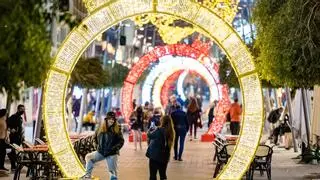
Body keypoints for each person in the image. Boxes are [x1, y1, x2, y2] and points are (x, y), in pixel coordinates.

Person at [84, 112, 124, 179]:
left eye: (113, 119)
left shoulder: (117, 129)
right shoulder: (100, 128)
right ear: (106, 119)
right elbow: (94, 138)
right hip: (101, 152)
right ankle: (88, 176)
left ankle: (113, 177)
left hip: (112, 153)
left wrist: (115, 148)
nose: (112, 120)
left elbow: (121, 141)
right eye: (110, 119)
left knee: (112, 173)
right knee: (88, 157)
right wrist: (96, 146)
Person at [146, 115, 175, 180]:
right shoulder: (171, 132)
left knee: (153, 175)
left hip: (155, 156)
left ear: (162, 121)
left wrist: (150, 129)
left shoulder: (159, 130)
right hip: (165, 156)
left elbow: (149, 135)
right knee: (163, 175)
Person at [7, 104, 25, 170]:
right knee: (14, 152)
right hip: (13, 137)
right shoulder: (13, 117)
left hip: (19, 138)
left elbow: (20, 128)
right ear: (18, 109)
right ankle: (14, 166)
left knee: (15, 152)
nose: (23, 111)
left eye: (24, 109)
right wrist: (11, 129)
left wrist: (22, 136)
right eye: (21, 109)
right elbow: (7, 124)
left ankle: (14, 166)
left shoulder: (20, 118)